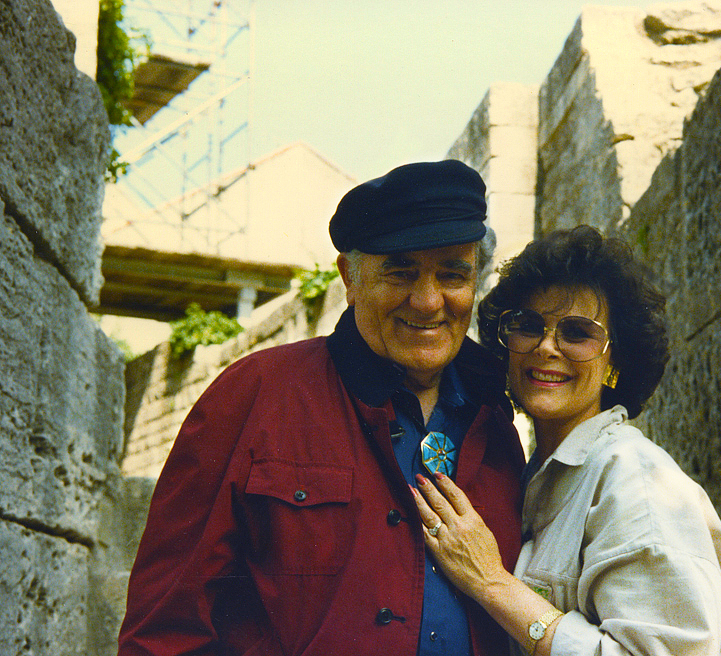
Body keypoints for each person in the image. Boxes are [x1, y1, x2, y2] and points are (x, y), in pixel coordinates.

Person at [118, 160, 525, 656]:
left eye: (453, 274)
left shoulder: (499, 416)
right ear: (349, 278)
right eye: (400, 272)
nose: (427, 300)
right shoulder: (254, 396)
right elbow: (162, 632)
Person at [412, 225, 721, 656]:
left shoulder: (635, 479)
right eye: (528, 326)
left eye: (577, 333)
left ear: (616, 361)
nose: (546, 347)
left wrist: (491, 582)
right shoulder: (538, 475)